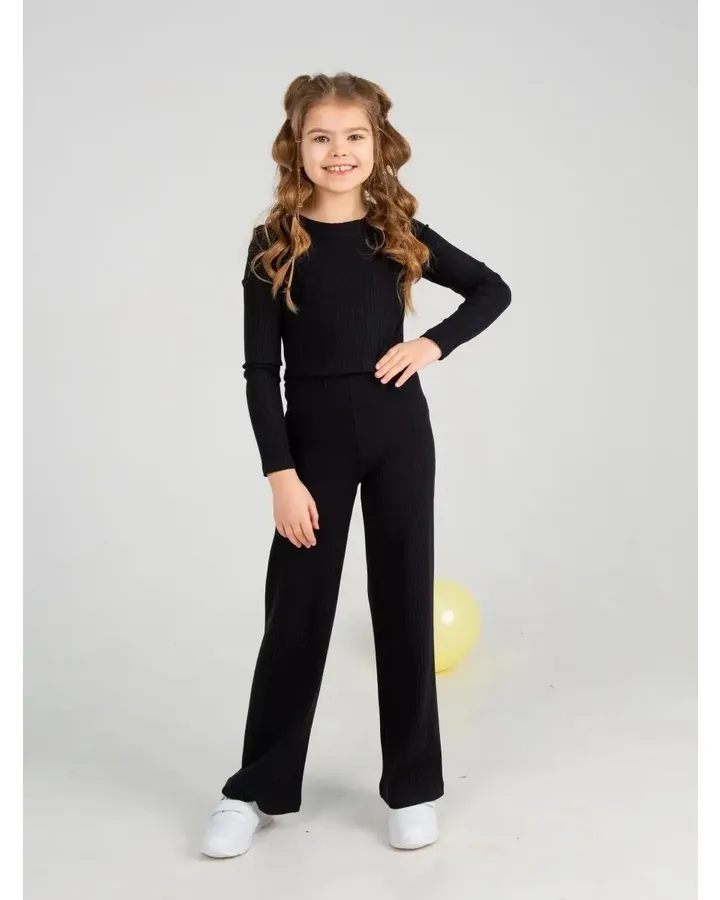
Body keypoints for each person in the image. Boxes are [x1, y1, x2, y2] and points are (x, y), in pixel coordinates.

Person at [200, 72, 511, 857]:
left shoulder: (395, 230)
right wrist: (280, 474)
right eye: (321, 137)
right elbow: (259, 374)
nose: (338, 152)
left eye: (354, 137)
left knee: (403, 603)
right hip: (313, 451)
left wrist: (432, 342)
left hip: (399, 435)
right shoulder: (275, 243)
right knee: (296, 614)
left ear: (378, 145)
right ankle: (255, 789)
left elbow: (491, 289)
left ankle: (413, 787)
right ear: (296, 147)